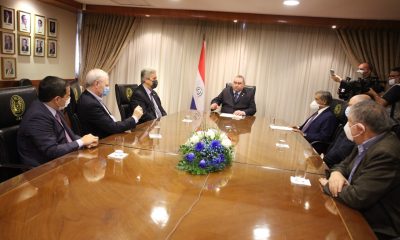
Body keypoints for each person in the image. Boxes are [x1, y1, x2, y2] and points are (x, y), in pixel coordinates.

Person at [319, 100, 400, 239]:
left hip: (373, 227)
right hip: (352, 210)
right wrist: (336, 174)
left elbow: (357, 197)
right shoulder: (369, 140)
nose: (347, 127)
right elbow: (343, 165)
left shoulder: (386, 152)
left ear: (361, 129)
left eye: (349, 124)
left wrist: (328, 184)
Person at [17, 76, 99, 167]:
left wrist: (85, 142)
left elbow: (67, 135)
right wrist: (81, 142)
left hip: (63, 159)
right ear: (57, 99)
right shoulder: (37, 117)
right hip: (42, 170)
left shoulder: (53, 107)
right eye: (68, 96)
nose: (69, 99)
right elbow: (52, 150)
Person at [77, 68, 144, 139]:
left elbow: (110, 123)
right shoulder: (90, 103)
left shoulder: (91, 97)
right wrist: (134, 118)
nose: (108, 88)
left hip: (109, 135)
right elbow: (113, 127)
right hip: (103, 142)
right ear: (96, 84)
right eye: (106, 85)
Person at [323, 94, 371, 168]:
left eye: (351, 105)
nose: (347, 108)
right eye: (348, 105)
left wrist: (326, 161)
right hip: (329, 162)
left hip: (336, 166)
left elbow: (344, 152)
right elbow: (335, 144)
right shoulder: (347, 122)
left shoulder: (359, 127)